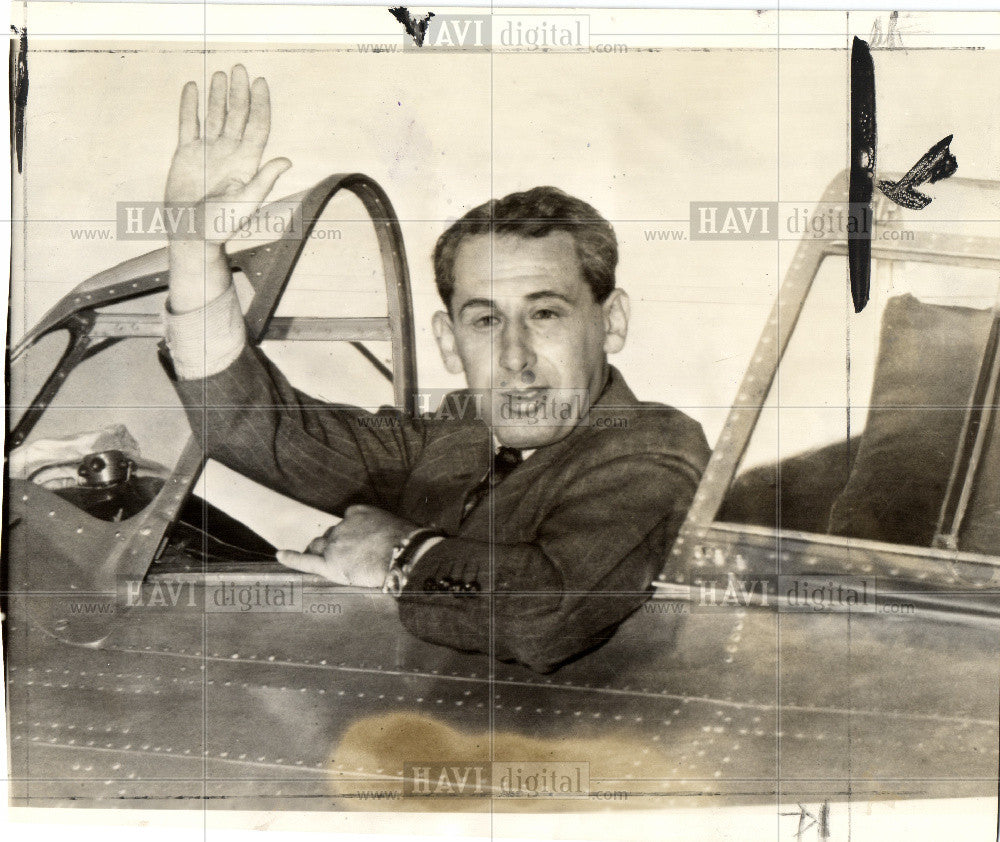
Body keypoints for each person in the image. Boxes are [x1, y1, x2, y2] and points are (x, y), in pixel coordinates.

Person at [161, 66, 710, 673]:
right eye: (485, 321)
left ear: (611, 322)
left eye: (546, 313)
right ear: (449, 342)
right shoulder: (454, 437)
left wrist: (402, 554)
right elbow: (255, 430)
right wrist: (194, 255)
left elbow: (546, 614)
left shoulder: (654, 447)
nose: (515, 359)